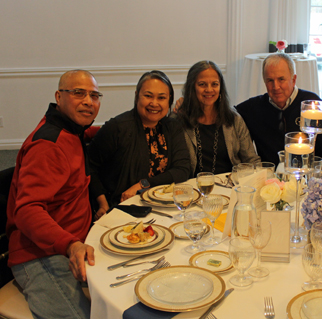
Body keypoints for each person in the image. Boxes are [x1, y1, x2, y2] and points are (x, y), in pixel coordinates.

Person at [6, 70, 100, 318]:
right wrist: (70, 245)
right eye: (78, 93)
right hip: (41, 255)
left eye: (94, 95)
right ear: (59, 97)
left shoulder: (71, 130)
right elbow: (26, 211)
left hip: (73, 246)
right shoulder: (49, 145)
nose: (88, 101)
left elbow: (87, 134)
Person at [88, 70, 190, 208]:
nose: (154, 103)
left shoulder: (173, 127)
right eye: (148, 96)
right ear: (137, 96)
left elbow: (182, 170)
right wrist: (102, 203)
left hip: (162, 205)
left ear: (169, 100)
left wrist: (143, 184)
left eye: (161, 98)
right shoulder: (117, 127)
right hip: (121, 208)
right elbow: (89, 167)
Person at [236, 53, 322, 166]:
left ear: (293, 79)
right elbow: (227, 114)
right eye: (270, 80)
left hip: (309, 175)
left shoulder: (312, 105)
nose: (276, 86)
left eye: (281, 79)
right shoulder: (253, 108)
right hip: (271, 179)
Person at [174, 61, 260, 176]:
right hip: (194, 188)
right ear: (192, 87)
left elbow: (251, 160)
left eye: (214, 84)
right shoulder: (179, 119)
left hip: (229, 185)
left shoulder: (234, 119)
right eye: (202, 84)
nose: (209, 89)